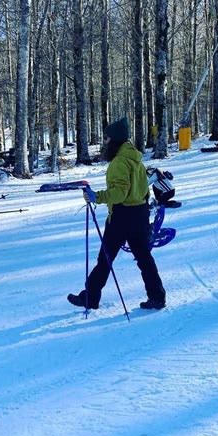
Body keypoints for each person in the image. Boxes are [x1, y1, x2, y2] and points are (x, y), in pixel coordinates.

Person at [68, 117, 166, 311]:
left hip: (123, 216)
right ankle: (157, 297)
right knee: (144, 257)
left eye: (106, 138)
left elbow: (119, 193)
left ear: (114, 140)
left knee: (105, 258)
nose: (104, 142)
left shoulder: (119, 162)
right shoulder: (134, 158)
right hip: (139, 213)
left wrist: (96, 197)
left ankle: (90, 297)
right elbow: (143, 188)